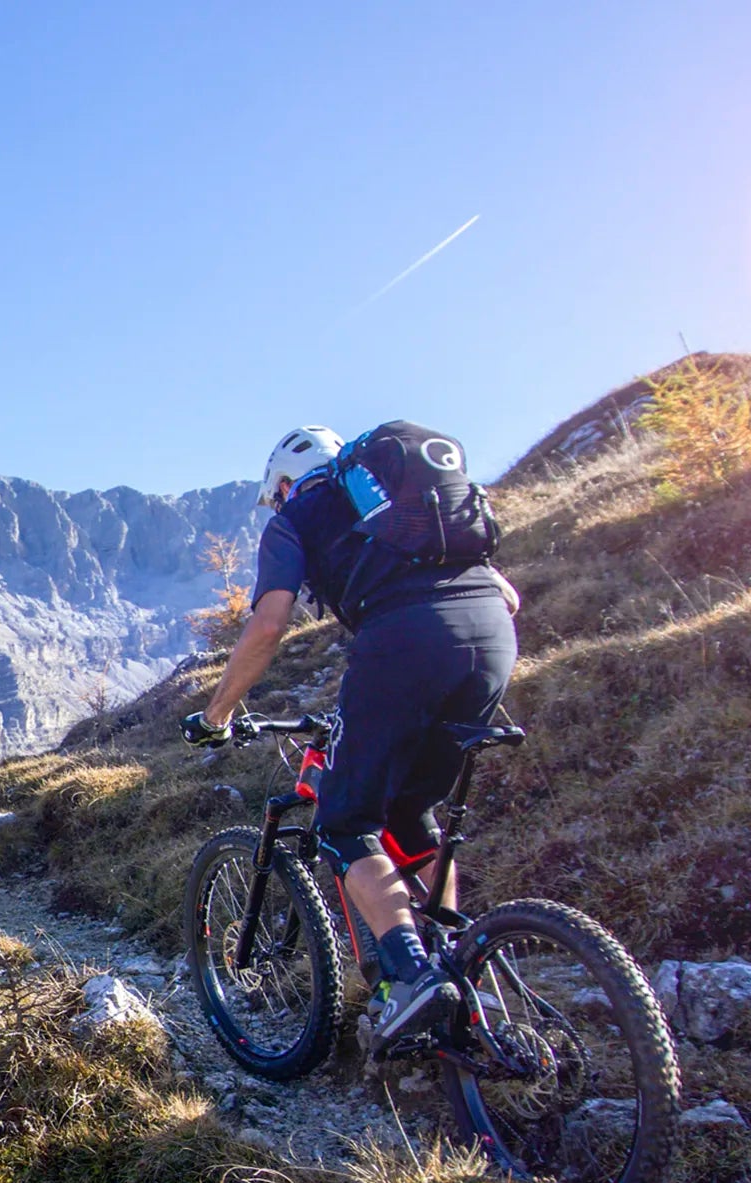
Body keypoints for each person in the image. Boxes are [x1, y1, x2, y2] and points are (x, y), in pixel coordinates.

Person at [181, 424, 519, 1053]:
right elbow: (508, 594)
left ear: (282, 484)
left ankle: (411, 975)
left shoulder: (296, 517)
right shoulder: (405, 507)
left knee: (343, 821)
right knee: (409, 811)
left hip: (405, 642)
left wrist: (219, 712)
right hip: (494, 636)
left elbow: (269, 622)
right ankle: (460, 961)